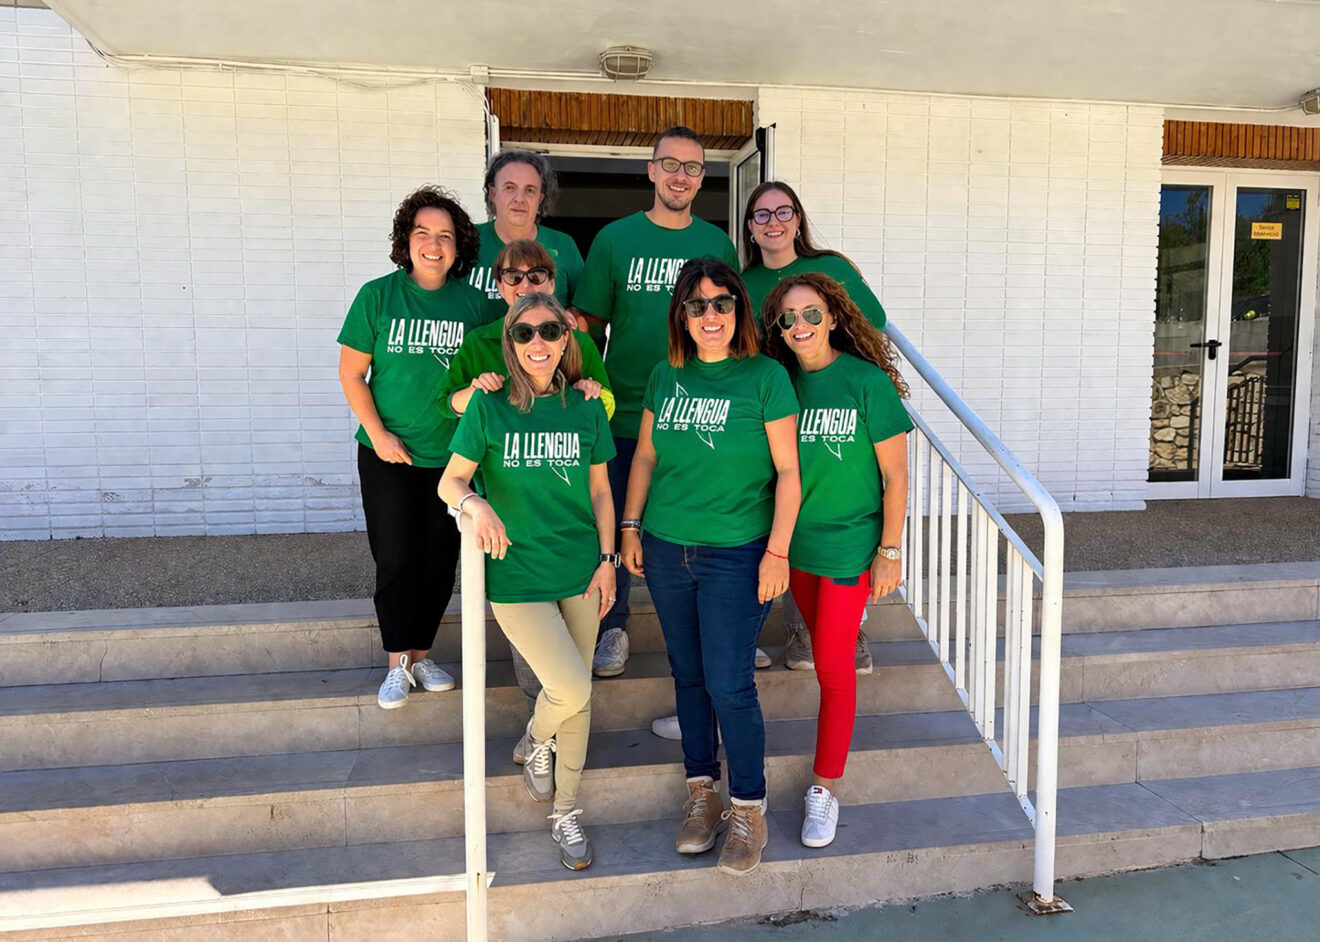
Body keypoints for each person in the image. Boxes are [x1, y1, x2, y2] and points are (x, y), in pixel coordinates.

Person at [620, 257, 800, 876]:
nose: (711, 315)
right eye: (697, 306)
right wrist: (630, 526)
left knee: (730, 682)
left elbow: (789, 474)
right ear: (682, 316)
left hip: (738, 552)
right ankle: (703, 794)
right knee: (689, 676)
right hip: (668, 548)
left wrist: (777, 551)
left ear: (738, 310)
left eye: (722, 302)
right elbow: (643, 458)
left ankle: (749, 808)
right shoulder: (665, 376)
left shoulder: (766, 376)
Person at [439, 293, 617, 871]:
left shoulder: (587, 407)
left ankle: (565, 810)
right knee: (571, 686)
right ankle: (537, 741)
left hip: (581, 569)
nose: (538, 342)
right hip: (516, 576)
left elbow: (599, 491)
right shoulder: (487, 407)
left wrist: (609, 557)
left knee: (581, 696)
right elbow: (450, 482)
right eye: (524, 333)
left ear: (566, 340)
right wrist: (474, 504)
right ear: (509, 343)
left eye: (549, 332)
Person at [573, 126, 744, 680]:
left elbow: (731, 324)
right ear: (650, 171)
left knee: (695, 522)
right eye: (669, 164)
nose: (680, 175)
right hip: (624, 409)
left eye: (693, 167)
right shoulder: (614, 240)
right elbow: (588, 329)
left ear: (702, 178)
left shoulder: (717, 245)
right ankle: (614, 624)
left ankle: (721, 630)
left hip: (700, 414)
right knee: (619, 520)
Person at [440, 239, 613, 739]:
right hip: (515, 539)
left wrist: (588, 394)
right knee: (541, 662)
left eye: (536, 274)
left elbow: (602, 405)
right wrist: (474, 393)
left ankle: (547, 743)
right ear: (498, 285)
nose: (525, 284)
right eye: (513, 277)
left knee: (569, 673)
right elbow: (445, 410)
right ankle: (543, 734)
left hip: (571, 537)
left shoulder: (571, 338)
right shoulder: (480, 342)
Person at [762, 272, 911, 849]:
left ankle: (824, 787)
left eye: (811, 313)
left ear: (833, 317)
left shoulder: (865, 382)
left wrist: (889, 550)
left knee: (831, 663)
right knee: (814, 650)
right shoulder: (777, 384)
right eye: (788, 318)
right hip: (793, 547)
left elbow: (895, 475)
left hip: (850, 545)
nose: (800, 326)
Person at [337, 185, 489, 710]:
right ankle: (396, 664)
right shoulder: (377, 296)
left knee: (440, 559)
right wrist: (379, 435)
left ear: (458, 245)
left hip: (452, 458)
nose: (433, 243)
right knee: (396, 557)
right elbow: (352, 373)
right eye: (422, 232)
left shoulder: (475, 304)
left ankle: (421, 653)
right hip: (388, 454)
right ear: (406, 240)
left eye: (445, 235)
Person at [740, 179, 888, 674]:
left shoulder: (832, 268)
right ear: (750, 229)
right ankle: (801, 626)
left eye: (784, 212)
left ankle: (843, 626)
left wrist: (838, 380)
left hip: (829, 404)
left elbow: (873, 322)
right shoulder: (744, 284)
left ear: (798, 220)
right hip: (774, 412)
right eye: (761, 215)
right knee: (784, 505)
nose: (774, 222)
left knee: (835, 502)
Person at [468, 150, 585, 322]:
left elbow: (584, 311)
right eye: (510, 187)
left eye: (530, 190)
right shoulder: (467, 240)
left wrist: (569, 318)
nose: (519, 198)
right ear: (493, 193)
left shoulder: (562, 244)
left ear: (540, 198)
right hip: (476, 348)